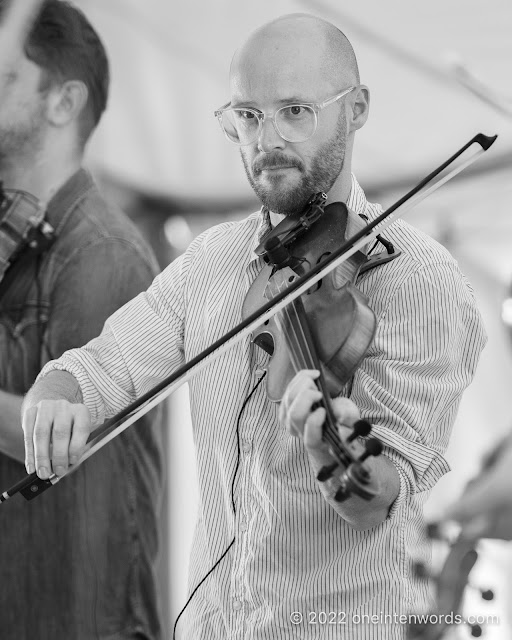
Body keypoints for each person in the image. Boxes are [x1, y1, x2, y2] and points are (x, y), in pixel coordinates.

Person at [22, 13, 486, 640]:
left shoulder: (421, 281)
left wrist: (333, 448)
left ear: (356, 109)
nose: (266, 140)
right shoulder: (211, 262)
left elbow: (383, 494)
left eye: (295, 111)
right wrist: (57, 392)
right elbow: (104, 367)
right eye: (247, 116)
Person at [0, 1, 164, 639]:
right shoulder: (18, 235)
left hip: (80, 614)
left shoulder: (104, 254)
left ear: (62, 102)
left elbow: (60, 438)